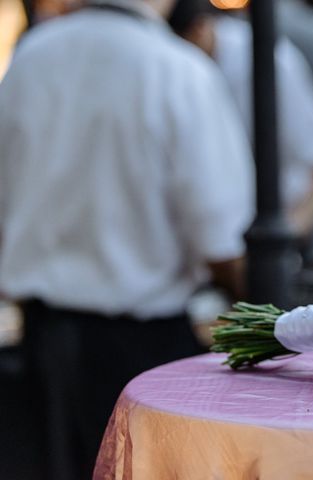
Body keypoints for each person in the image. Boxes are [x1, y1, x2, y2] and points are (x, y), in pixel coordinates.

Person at [0, 0, 255, 477]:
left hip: (39, 343)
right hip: (141, 357)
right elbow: (220, 240)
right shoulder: (177, 70)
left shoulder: (33, 55)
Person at [169, 4, 313, 254]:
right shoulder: (184, 72)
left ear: (199, 29)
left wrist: (281, 246)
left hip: (288, 232)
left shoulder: (265, 60)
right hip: (216, 242)